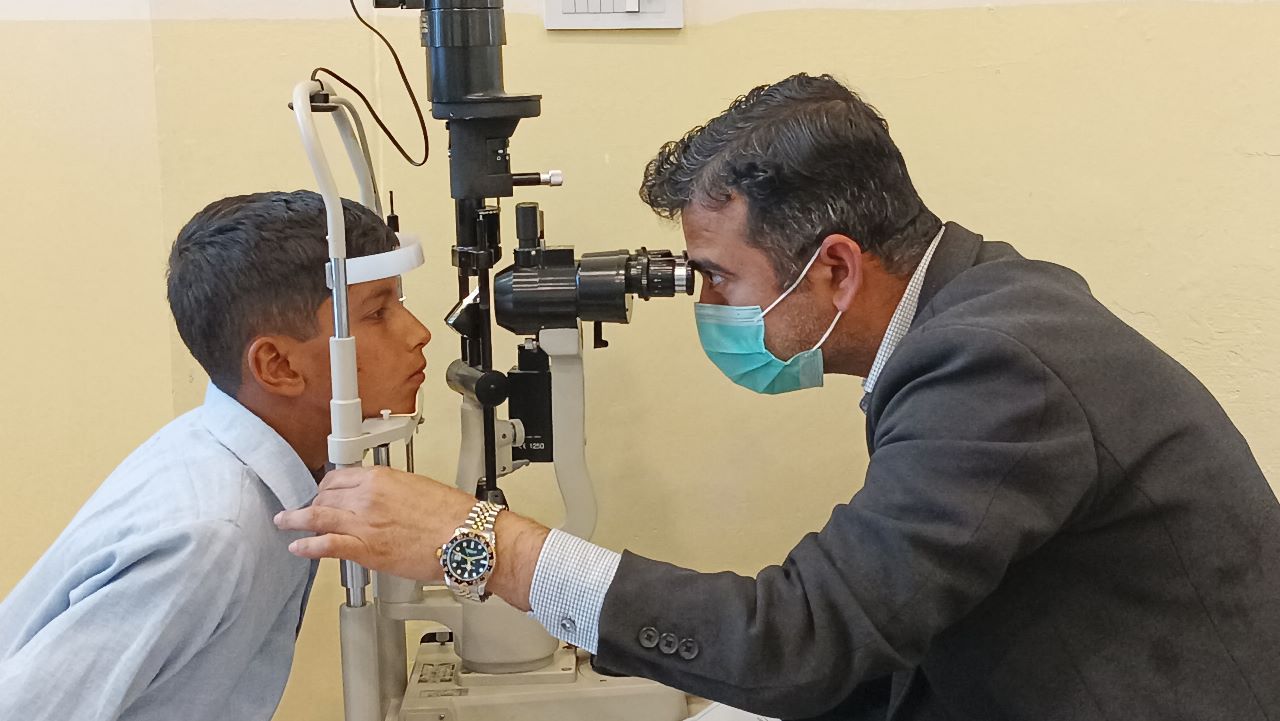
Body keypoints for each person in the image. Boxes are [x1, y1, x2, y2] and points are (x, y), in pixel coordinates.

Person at [274, 74, 1280, 720]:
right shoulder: (982, 306)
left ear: (833, 267)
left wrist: (481, 544)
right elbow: (874, 617)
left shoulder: (993, 367)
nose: (704, 304)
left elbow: (801, 637)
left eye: (717, 277)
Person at [0, 190, 431, 721]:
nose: (419, 333)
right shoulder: (210, 535)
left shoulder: (264, 467)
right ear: (277, 366)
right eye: (378, 313)